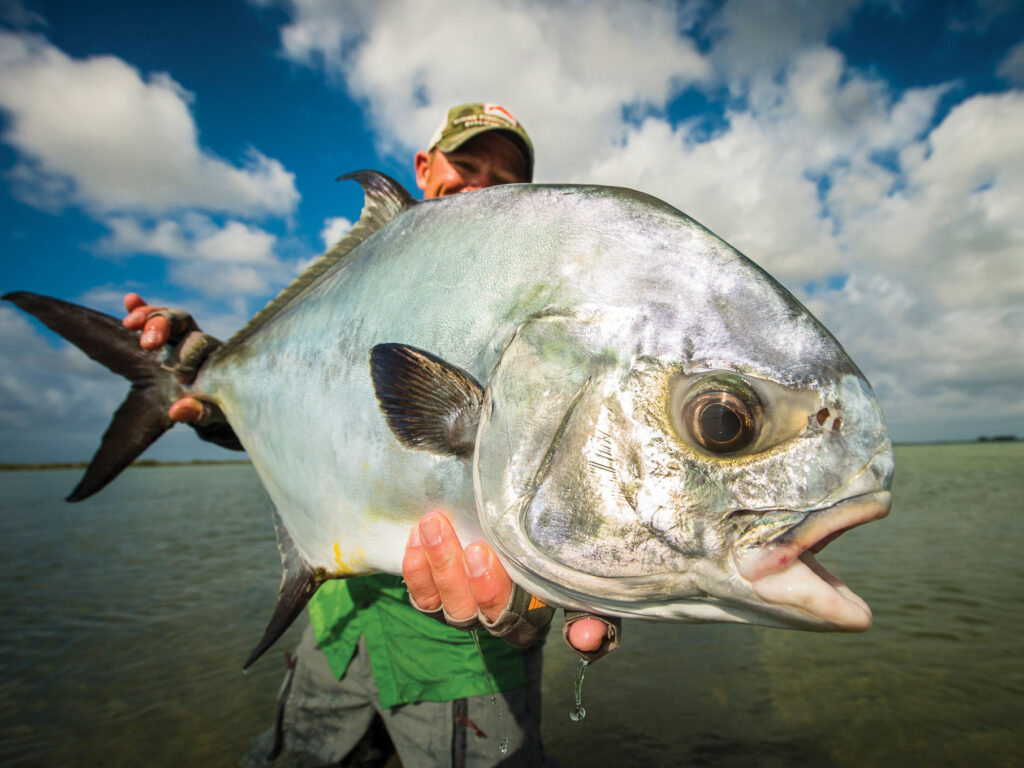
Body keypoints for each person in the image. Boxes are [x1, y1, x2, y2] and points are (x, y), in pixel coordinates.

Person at [123, 104, 619, 767]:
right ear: (423, 168)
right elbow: (319, 425)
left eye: (503, 182)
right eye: (465, 167)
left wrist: (586, 561)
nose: (479, 189)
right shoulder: (359, 286)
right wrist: (207, 385)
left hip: (461, 668)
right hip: (337, 637)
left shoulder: (532, 297)